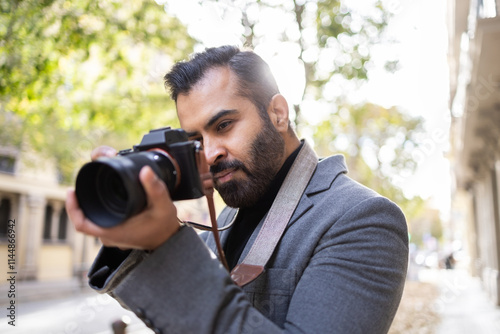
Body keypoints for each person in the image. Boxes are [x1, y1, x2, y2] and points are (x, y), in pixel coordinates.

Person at [66, 45, 409, 333]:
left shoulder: (362, 219)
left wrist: (167, 244)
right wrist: (132, 240)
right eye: (195, 140)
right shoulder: (223, 222)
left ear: (277, 113)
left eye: (224, 125)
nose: (210, 152)